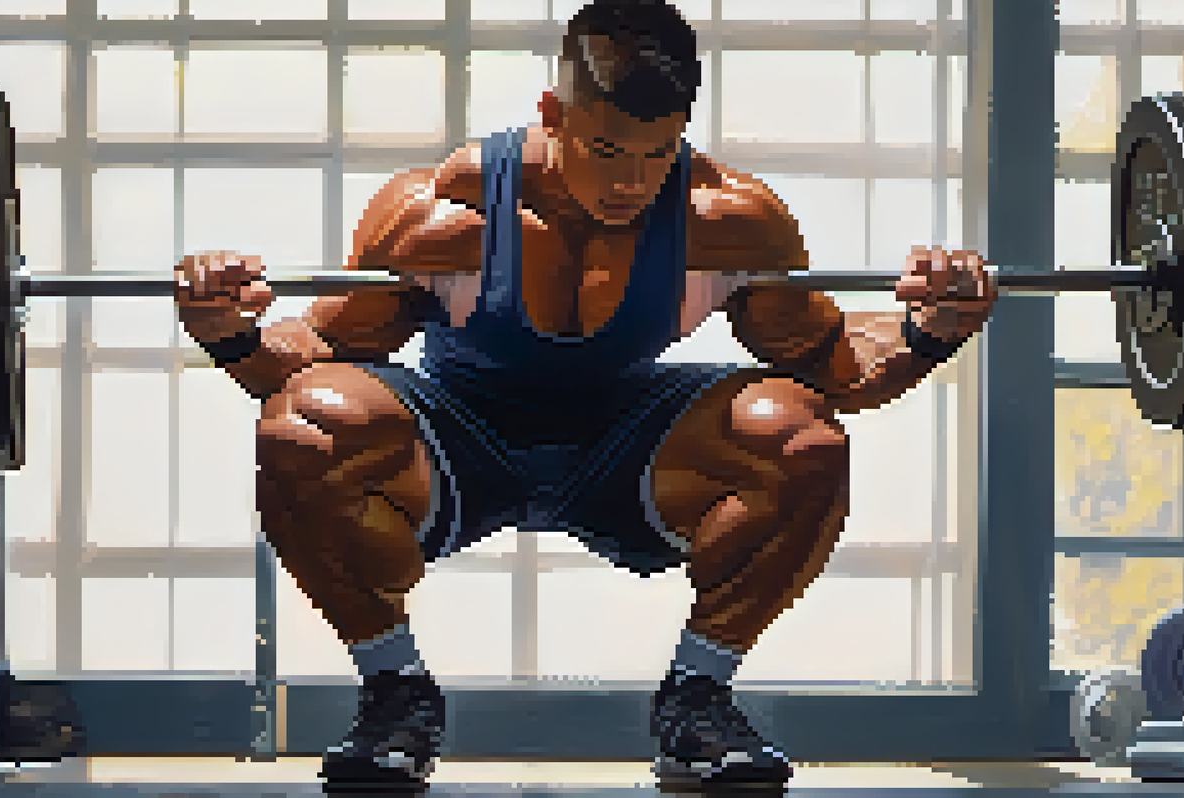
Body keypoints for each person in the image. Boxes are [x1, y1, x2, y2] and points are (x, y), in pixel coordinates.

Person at [175, 0, 995, 789]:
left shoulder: (726, 221)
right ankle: (396, 695)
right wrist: (229, 332)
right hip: (458, 439)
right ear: (552, 112)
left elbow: (839, 368)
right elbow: (309, 357)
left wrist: (933, 328)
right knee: (303, 427)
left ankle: (697, 700)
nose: (631, 182)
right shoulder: (445, 215)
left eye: (657, 153)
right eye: (606, 150)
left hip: (628, 442)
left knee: (803, 437)